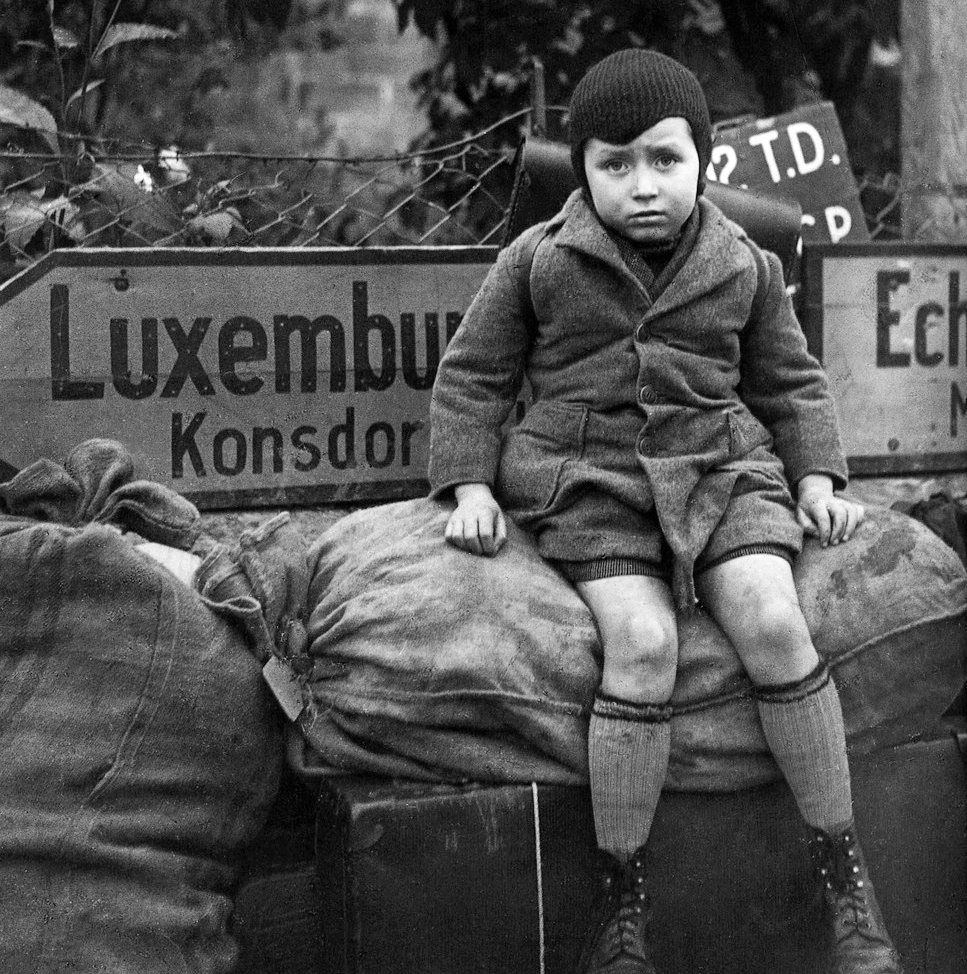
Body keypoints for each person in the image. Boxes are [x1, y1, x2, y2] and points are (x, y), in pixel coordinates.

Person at [427, 47, 902, 974]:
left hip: (720, 467)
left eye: (664, 160)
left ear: (703, 161)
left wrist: (816, 480)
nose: (641, 185)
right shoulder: (538, 259)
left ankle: (846, 880)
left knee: (772, 619)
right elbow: (473, 377)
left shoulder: (745, 264)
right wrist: (471, 486)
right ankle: (621, 899)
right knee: (641, 645)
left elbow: (791, 384)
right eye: (614, 163)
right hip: (589, 479)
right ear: (583, 169)